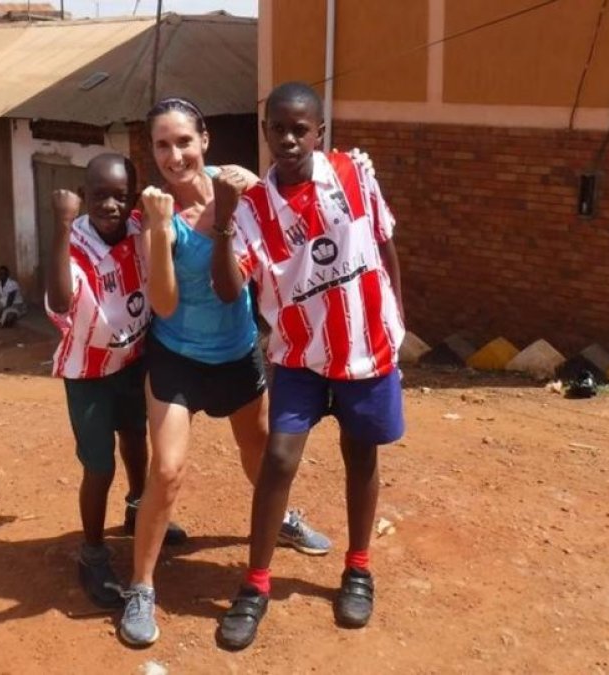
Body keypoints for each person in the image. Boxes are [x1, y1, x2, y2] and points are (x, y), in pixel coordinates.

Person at [118, 97, 331, 648]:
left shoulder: (239, 186)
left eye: (184, 141)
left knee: (260, 455)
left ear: (205, 141)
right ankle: (140, 586)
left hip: (237, 351)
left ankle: (280, 518)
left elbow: (302, 205)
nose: (174, 155)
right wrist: (162, 231)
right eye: (162, 145)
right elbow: (162, 303)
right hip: (177, 356)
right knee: (167, 471)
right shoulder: (151, 213)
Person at [210, 82, 406, 650]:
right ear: (266, 132)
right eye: (278, 128)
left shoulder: (353, 174)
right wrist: (224, 219)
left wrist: (399, 322)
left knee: (360, 452)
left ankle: (358, 569)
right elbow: (227, 289)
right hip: (298, 354)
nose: (289, 139)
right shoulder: (252, 208)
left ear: (319, 132)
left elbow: (386, 244)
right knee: (277, 457)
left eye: (301, 128)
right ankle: (255, 584)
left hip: (366, 347)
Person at [45, 153, 187, 610]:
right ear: (84, 197)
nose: (111, 205)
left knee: (135, 439)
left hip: (131, 359)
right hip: (87, 373)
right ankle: (91, 553)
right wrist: (63, 227)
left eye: (120, 196)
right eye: (100, 196)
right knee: (98, 466)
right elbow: (62, 301)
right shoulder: (76, 241)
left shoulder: (135, 231)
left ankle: (137, 510)